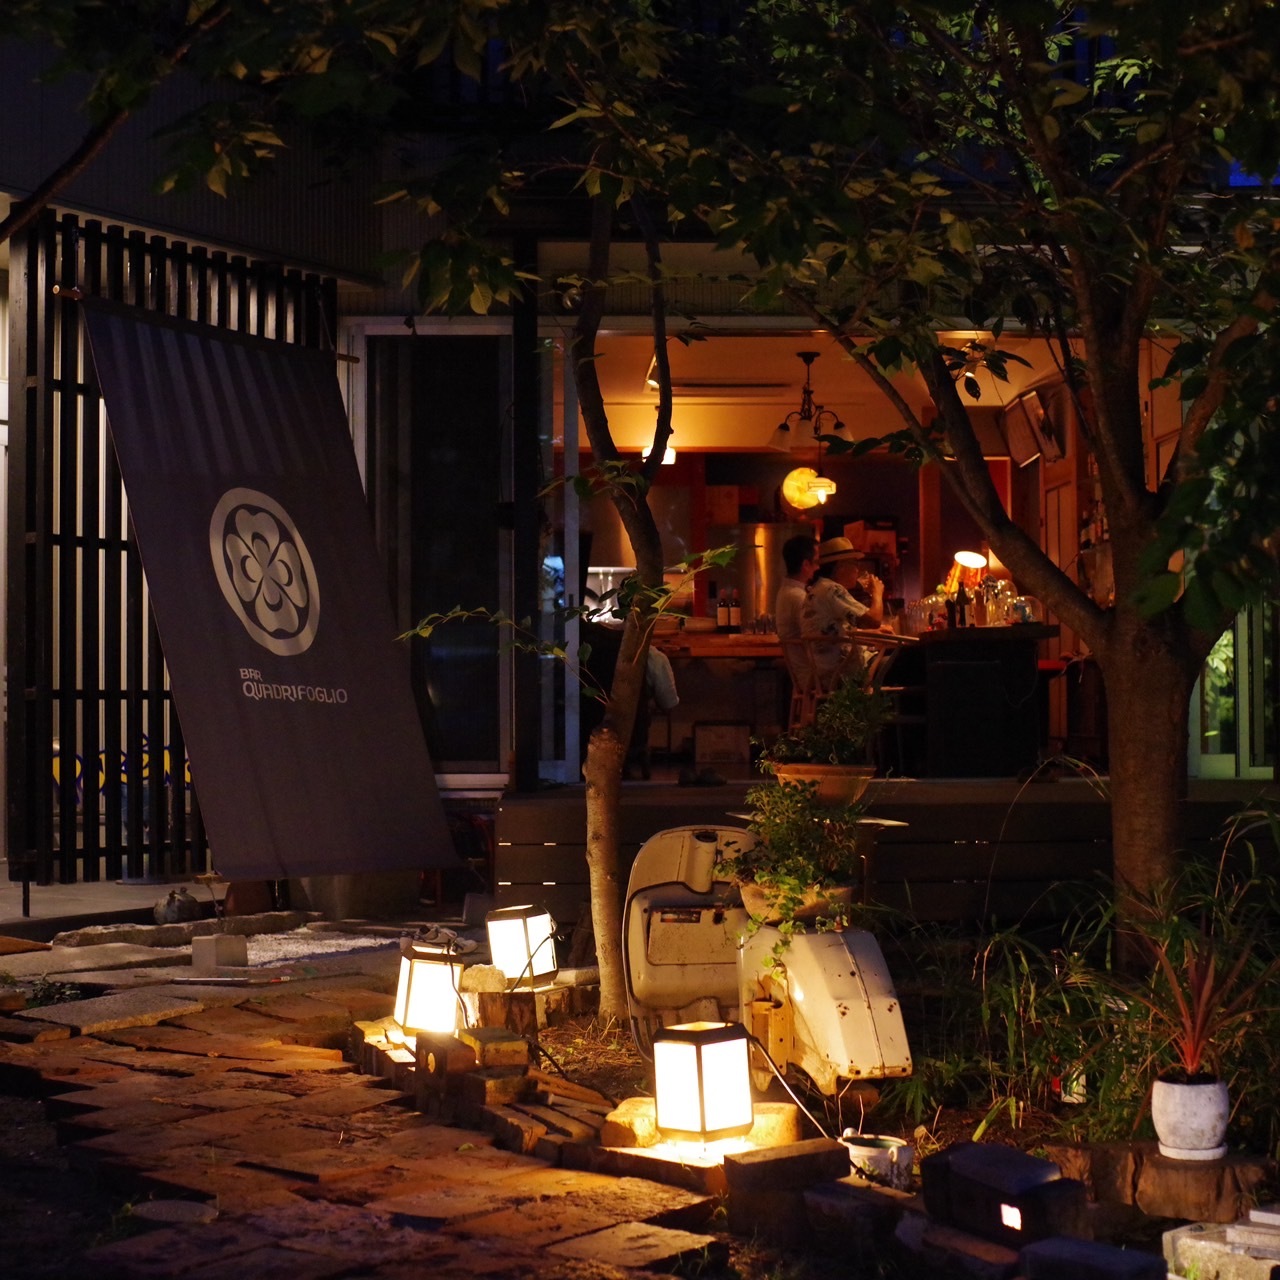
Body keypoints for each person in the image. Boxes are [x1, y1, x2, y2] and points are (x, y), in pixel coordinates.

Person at [801, 535, 888, 684]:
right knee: (917, 661)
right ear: (840, 567)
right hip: (848, 674)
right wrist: (877, 594)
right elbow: (874, 620)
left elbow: (841, 630)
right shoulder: (832, 590)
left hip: (827, 673)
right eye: (854, 564)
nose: (858, 569)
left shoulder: (818, 589)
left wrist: (872, 633)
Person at [775, 534, 819, 642]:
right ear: (806, 565)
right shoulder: (798, 597)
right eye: (816, 562)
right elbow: (817, 636)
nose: (818, 567)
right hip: (805, 654)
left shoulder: (786, 591)